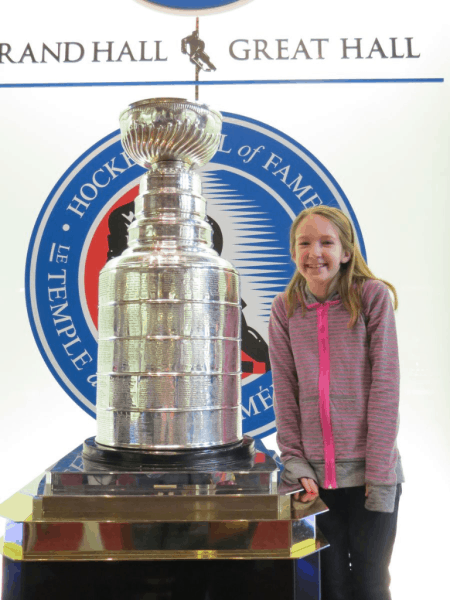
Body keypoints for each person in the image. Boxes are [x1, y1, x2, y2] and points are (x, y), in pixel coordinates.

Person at [268, 206, 404, 600]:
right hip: (315, 484)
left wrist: (379, 476)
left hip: (370, 478)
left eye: (326, 242)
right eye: (304, 243)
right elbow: (285, 390)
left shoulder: (371, 298)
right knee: (329, 587)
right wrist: (293, 461)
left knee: (370, 583)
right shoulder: (285, 308)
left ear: (346, 251)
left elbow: (385, 388)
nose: (315, 252)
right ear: (293, 252)